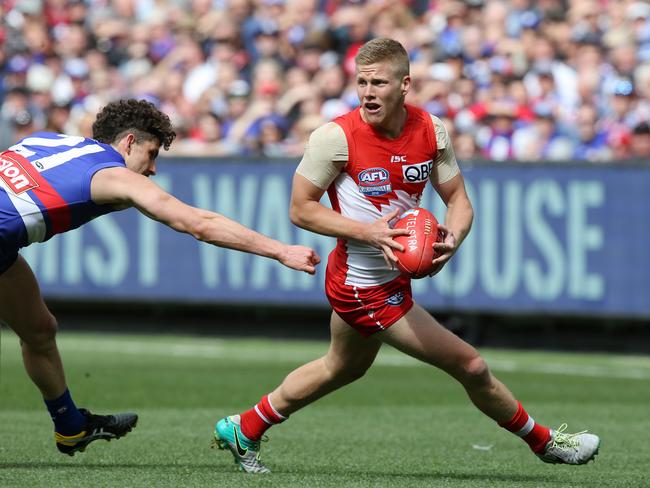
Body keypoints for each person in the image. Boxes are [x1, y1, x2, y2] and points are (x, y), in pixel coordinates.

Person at [212, 38, 600, 473]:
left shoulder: (431, 131)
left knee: (341, 367)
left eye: (378, 82)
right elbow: (300, 209)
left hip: (384, 278)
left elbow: (459, 202)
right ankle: (546, 443)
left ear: (405, 84)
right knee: (470, 364)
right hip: (363, 286)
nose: (367, 92)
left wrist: (452, 239)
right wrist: (368, 231)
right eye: (361, 82)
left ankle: (243, 427)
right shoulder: (335, 137)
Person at [0, 98, 321, 456]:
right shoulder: (113, 176)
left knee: (39, 330)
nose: (152, 169)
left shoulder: (46, 140)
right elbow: (199, 224)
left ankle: (71, 427)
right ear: (129, 143)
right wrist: (279, 250)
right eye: (151, 154)